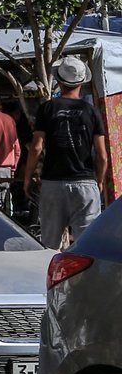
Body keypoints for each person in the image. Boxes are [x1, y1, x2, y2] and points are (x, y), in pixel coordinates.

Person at [27, 56, 109, 249]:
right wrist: (98, 181)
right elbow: (102, 156)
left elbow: (37, 147)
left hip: (53, 184)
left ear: (59, 81)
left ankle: (49, 278)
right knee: (87, 247)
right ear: (82, 81)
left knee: (49, 246)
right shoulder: (91, 111)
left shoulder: (47, 108)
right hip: (85, 184)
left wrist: (28, 177)